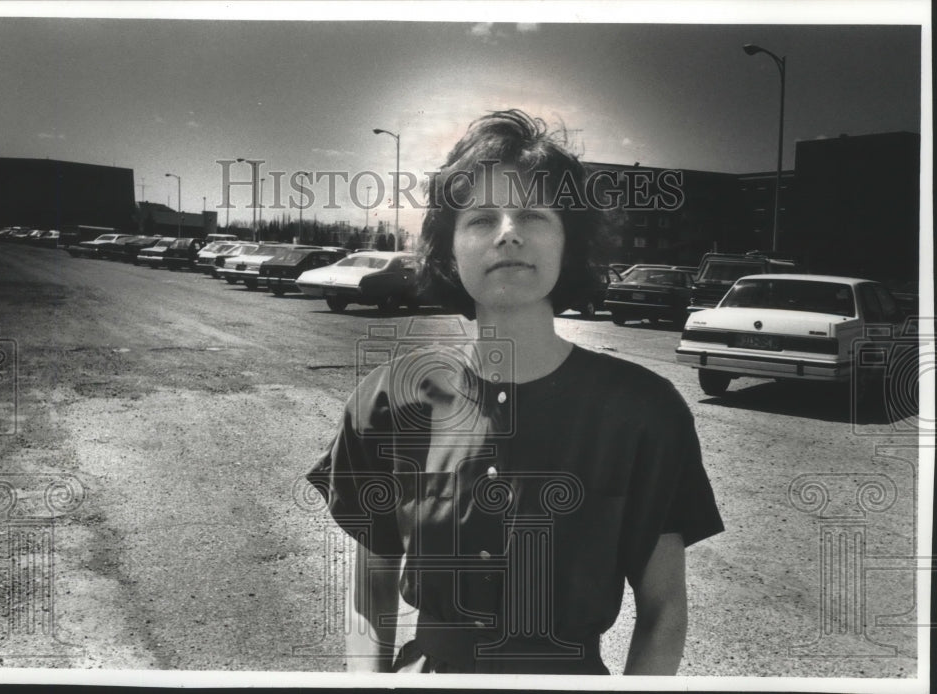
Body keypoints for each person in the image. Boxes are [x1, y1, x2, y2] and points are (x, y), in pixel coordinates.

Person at [307, 110, 723, 675]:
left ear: (567, 243)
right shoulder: (389, 401)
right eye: (480, 219)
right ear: (449, 249)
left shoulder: (644, 412)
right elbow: (369, 600)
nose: (508, 231)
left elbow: (664, 610)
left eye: (532, 213)